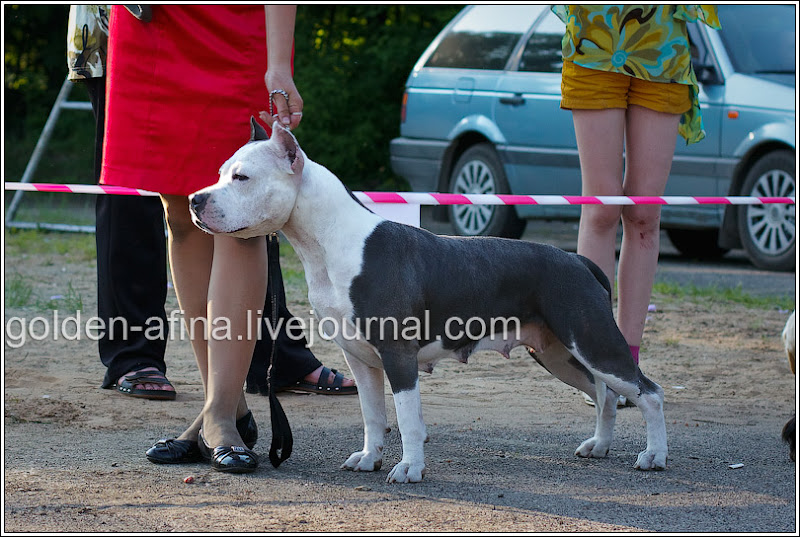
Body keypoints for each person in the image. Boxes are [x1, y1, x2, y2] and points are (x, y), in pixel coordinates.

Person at [67, 5, 355, 406]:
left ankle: (222, 410)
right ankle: (222, 407)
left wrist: (277, 65)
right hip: (148, 29)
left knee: (238, 226)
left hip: (234, 27)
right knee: (182, 215)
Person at [552, 5, 720, 406]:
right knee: (602, 207)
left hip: (662, 50)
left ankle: (626, 362)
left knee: (645, 215)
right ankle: (597, 357)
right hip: (594, 44)